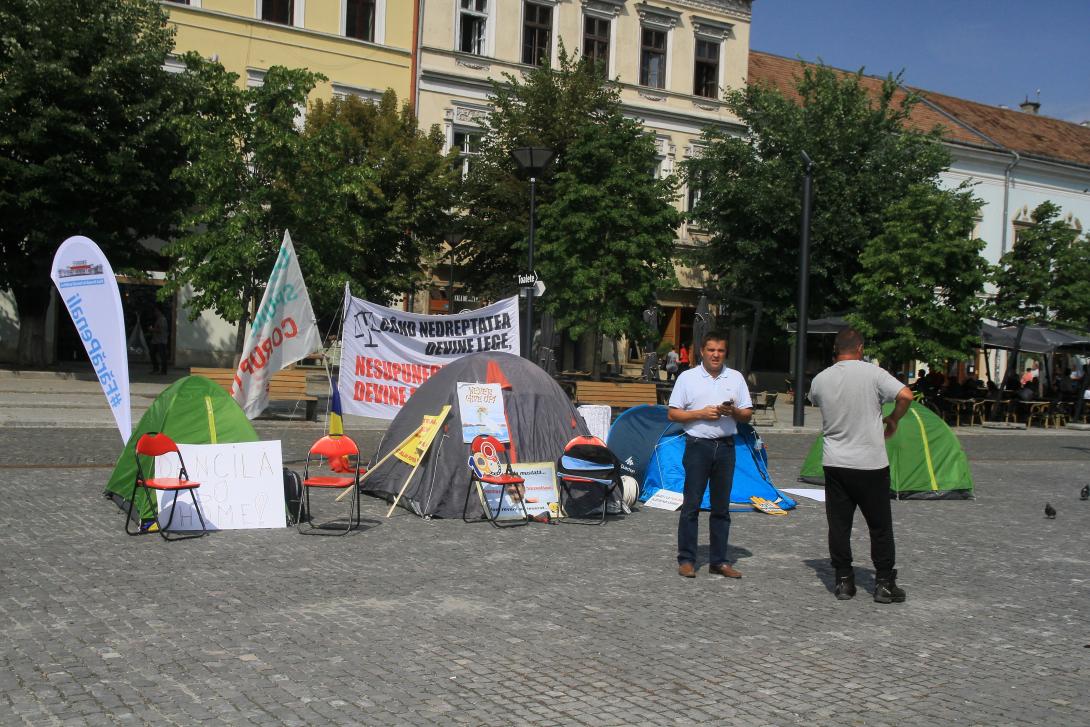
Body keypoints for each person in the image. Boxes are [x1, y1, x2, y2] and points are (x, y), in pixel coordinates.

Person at [808, 328, 914, 604]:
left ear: (836, 349)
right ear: (860, 348)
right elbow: (906, 395)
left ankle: (844, 581)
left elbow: (814, 399)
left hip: (836, 462)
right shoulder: (873, 374)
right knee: (879, 526)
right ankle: (884, 583)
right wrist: (893, 419)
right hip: (870, 463)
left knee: (839, 525)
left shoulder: (821, 379)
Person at [667, 332, 753, 579]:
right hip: (697, 446)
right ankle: (687, 559)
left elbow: (747, 414)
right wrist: (700, 414)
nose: (716, 355)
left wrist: (733, 411)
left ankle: (720, 560)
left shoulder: (735, 378)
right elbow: (673, 414)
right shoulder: (687, 378)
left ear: (725, 353)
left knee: (721, 508)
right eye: (711, 350)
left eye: (721, 351)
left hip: (726, 447)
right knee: (691, 505)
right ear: (702, 352)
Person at [149, 306, 169, 375]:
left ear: (159, 311)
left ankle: (163, 371)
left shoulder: (162, 319)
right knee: (152, 353)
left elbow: (161, 330)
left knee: (162, 356)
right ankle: (156, 369)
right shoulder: (159, 319)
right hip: (156, 340)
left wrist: (152, 329)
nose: (155, 313)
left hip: (161, 341)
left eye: (156, 311)